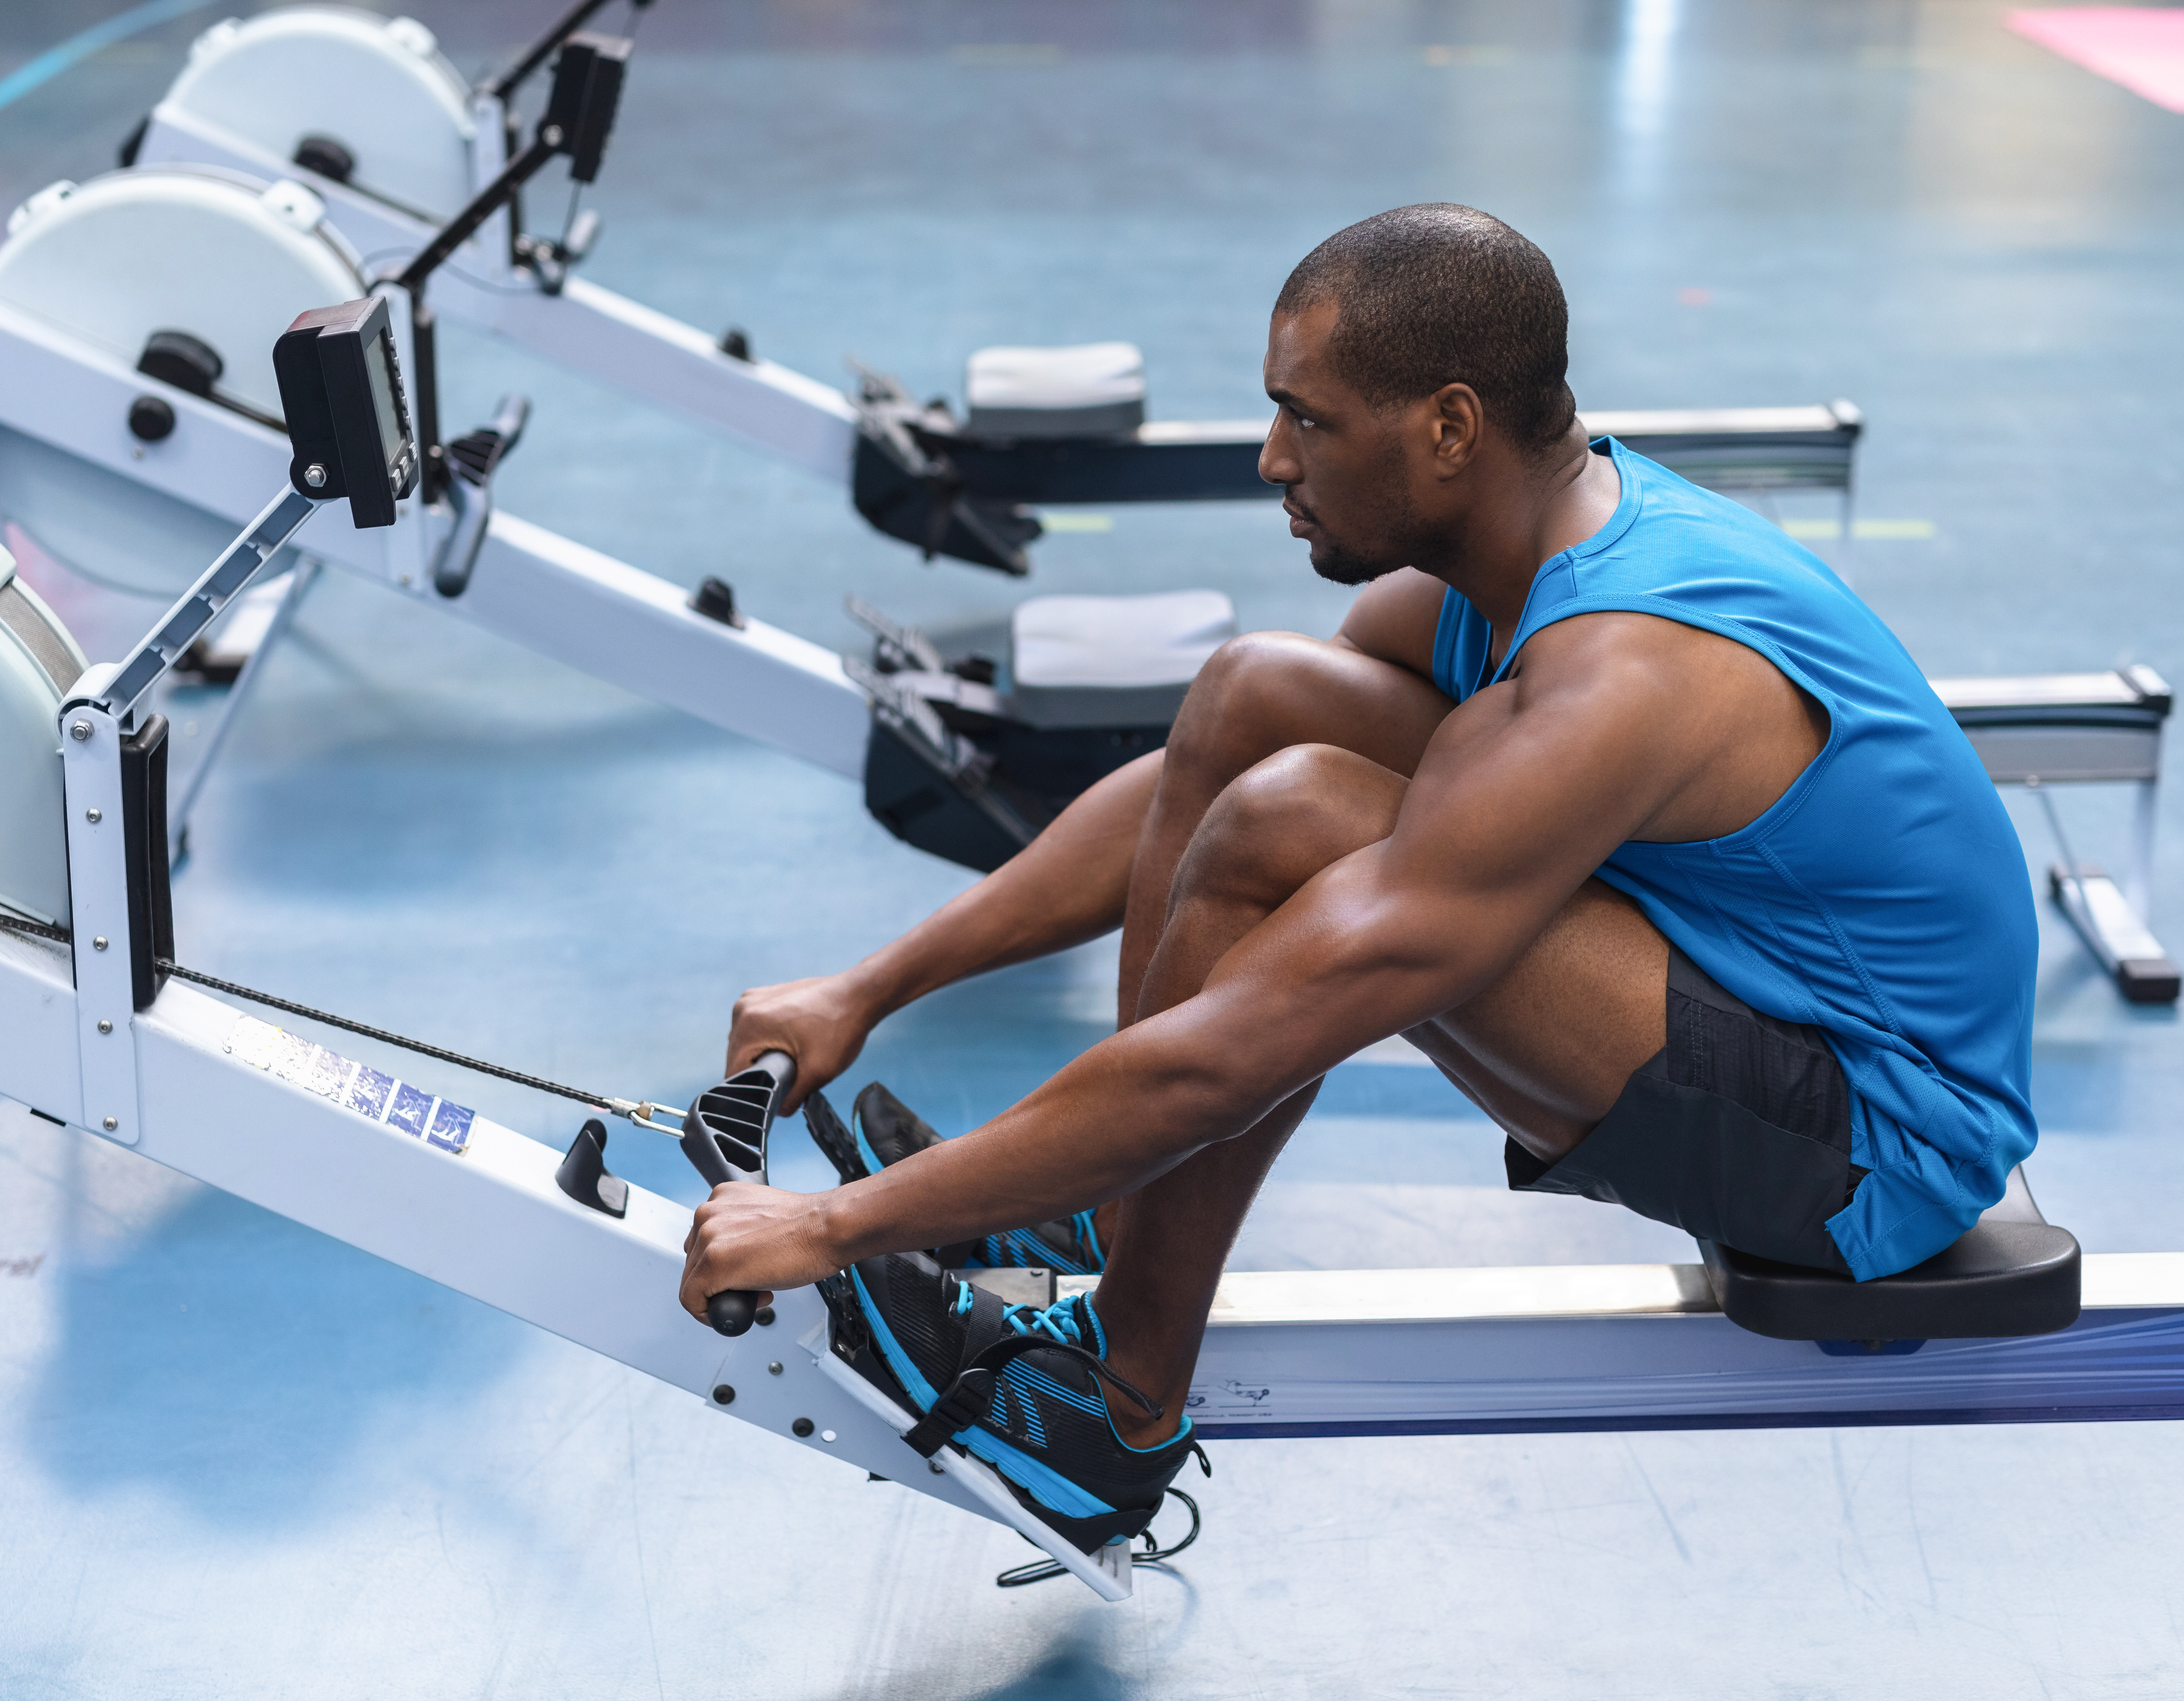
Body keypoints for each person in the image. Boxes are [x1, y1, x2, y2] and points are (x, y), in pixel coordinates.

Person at [678, 204, 2038, 1558]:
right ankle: (1110, 1215)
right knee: (1254, 693)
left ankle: (1113, 1412)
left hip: (1874, 1139)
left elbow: (1244, 1038)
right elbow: (1189, 789)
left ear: (1449, 429)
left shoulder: (1621, 665)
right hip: (1746, 979)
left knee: (1300, 821)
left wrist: (833, 1224)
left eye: (1308, 421)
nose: (1275, 458)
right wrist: (869, 987)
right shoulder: (1514, 550)